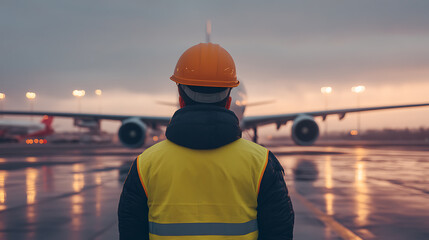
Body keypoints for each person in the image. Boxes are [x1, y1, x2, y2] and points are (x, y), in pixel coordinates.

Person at [118, 43, 294, 239]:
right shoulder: (262, 163)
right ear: (229, 102)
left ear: (180, 100)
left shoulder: (145, 165)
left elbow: (130, 232)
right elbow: (280, 233)